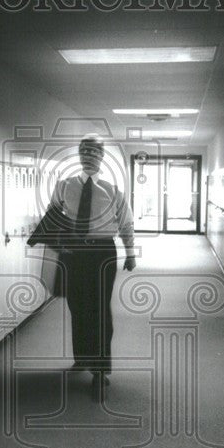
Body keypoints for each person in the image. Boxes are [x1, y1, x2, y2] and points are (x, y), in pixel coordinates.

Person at [51, 135, 136, 392]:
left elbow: (126, 223)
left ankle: (100, 370)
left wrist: (130, 253)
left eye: (93, 153)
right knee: (76, 305)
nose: (88, 157)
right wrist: (57, 243)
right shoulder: (65, 185)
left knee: (98, 308)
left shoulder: (113, 191)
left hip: (102, 253)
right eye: (84, 153)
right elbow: (51, 216)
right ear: (79, 156)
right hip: (74, 252)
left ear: (101, 158)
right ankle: (83, 358)